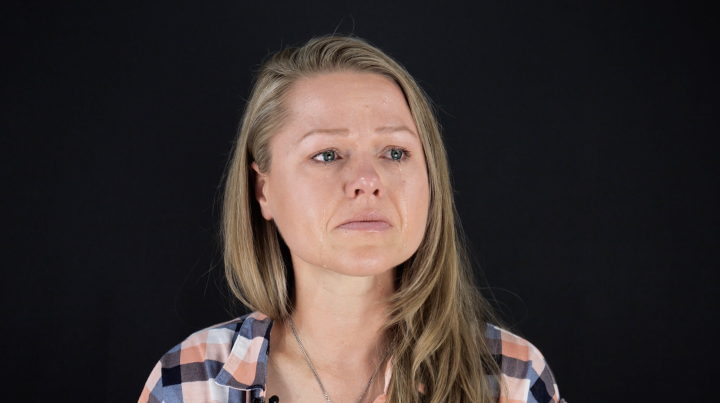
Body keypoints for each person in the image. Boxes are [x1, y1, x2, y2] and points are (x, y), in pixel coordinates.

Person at [139, 35, 563, 403]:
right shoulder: (191, 381)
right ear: (263, 190)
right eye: (327, 155)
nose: (367, 181)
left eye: (395, 152)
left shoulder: (511, 377)